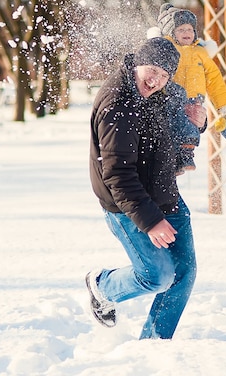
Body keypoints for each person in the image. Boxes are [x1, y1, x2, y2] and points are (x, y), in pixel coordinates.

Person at [87, 37, 205, 339]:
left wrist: (196, 124)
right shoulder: (118, 105)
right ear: (138, 63)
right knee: (157, 276)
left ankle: (154, 344)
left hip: (163, 192)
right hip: (126, 204)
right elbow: (118, 175)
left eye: (165, 75)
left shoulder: (157, 94)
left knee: (184, 273)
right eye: (152, 70)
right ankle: (103, 286)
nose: (156, 80)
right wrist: (151, 221)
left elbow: (175, 128)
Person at [149, 2, 226, 173]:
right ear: (170, 32)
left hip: (194, 99)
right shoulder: (167, 49)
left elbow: (214, 79)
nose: (187, 33)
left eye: (190, 30)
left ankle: (186, 157)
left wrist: (222, 102)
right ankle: (172, 158)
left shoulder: (201, 53)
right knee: (172, 127)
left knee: (191, 128)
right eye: (181, 30)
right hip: (171, 97)